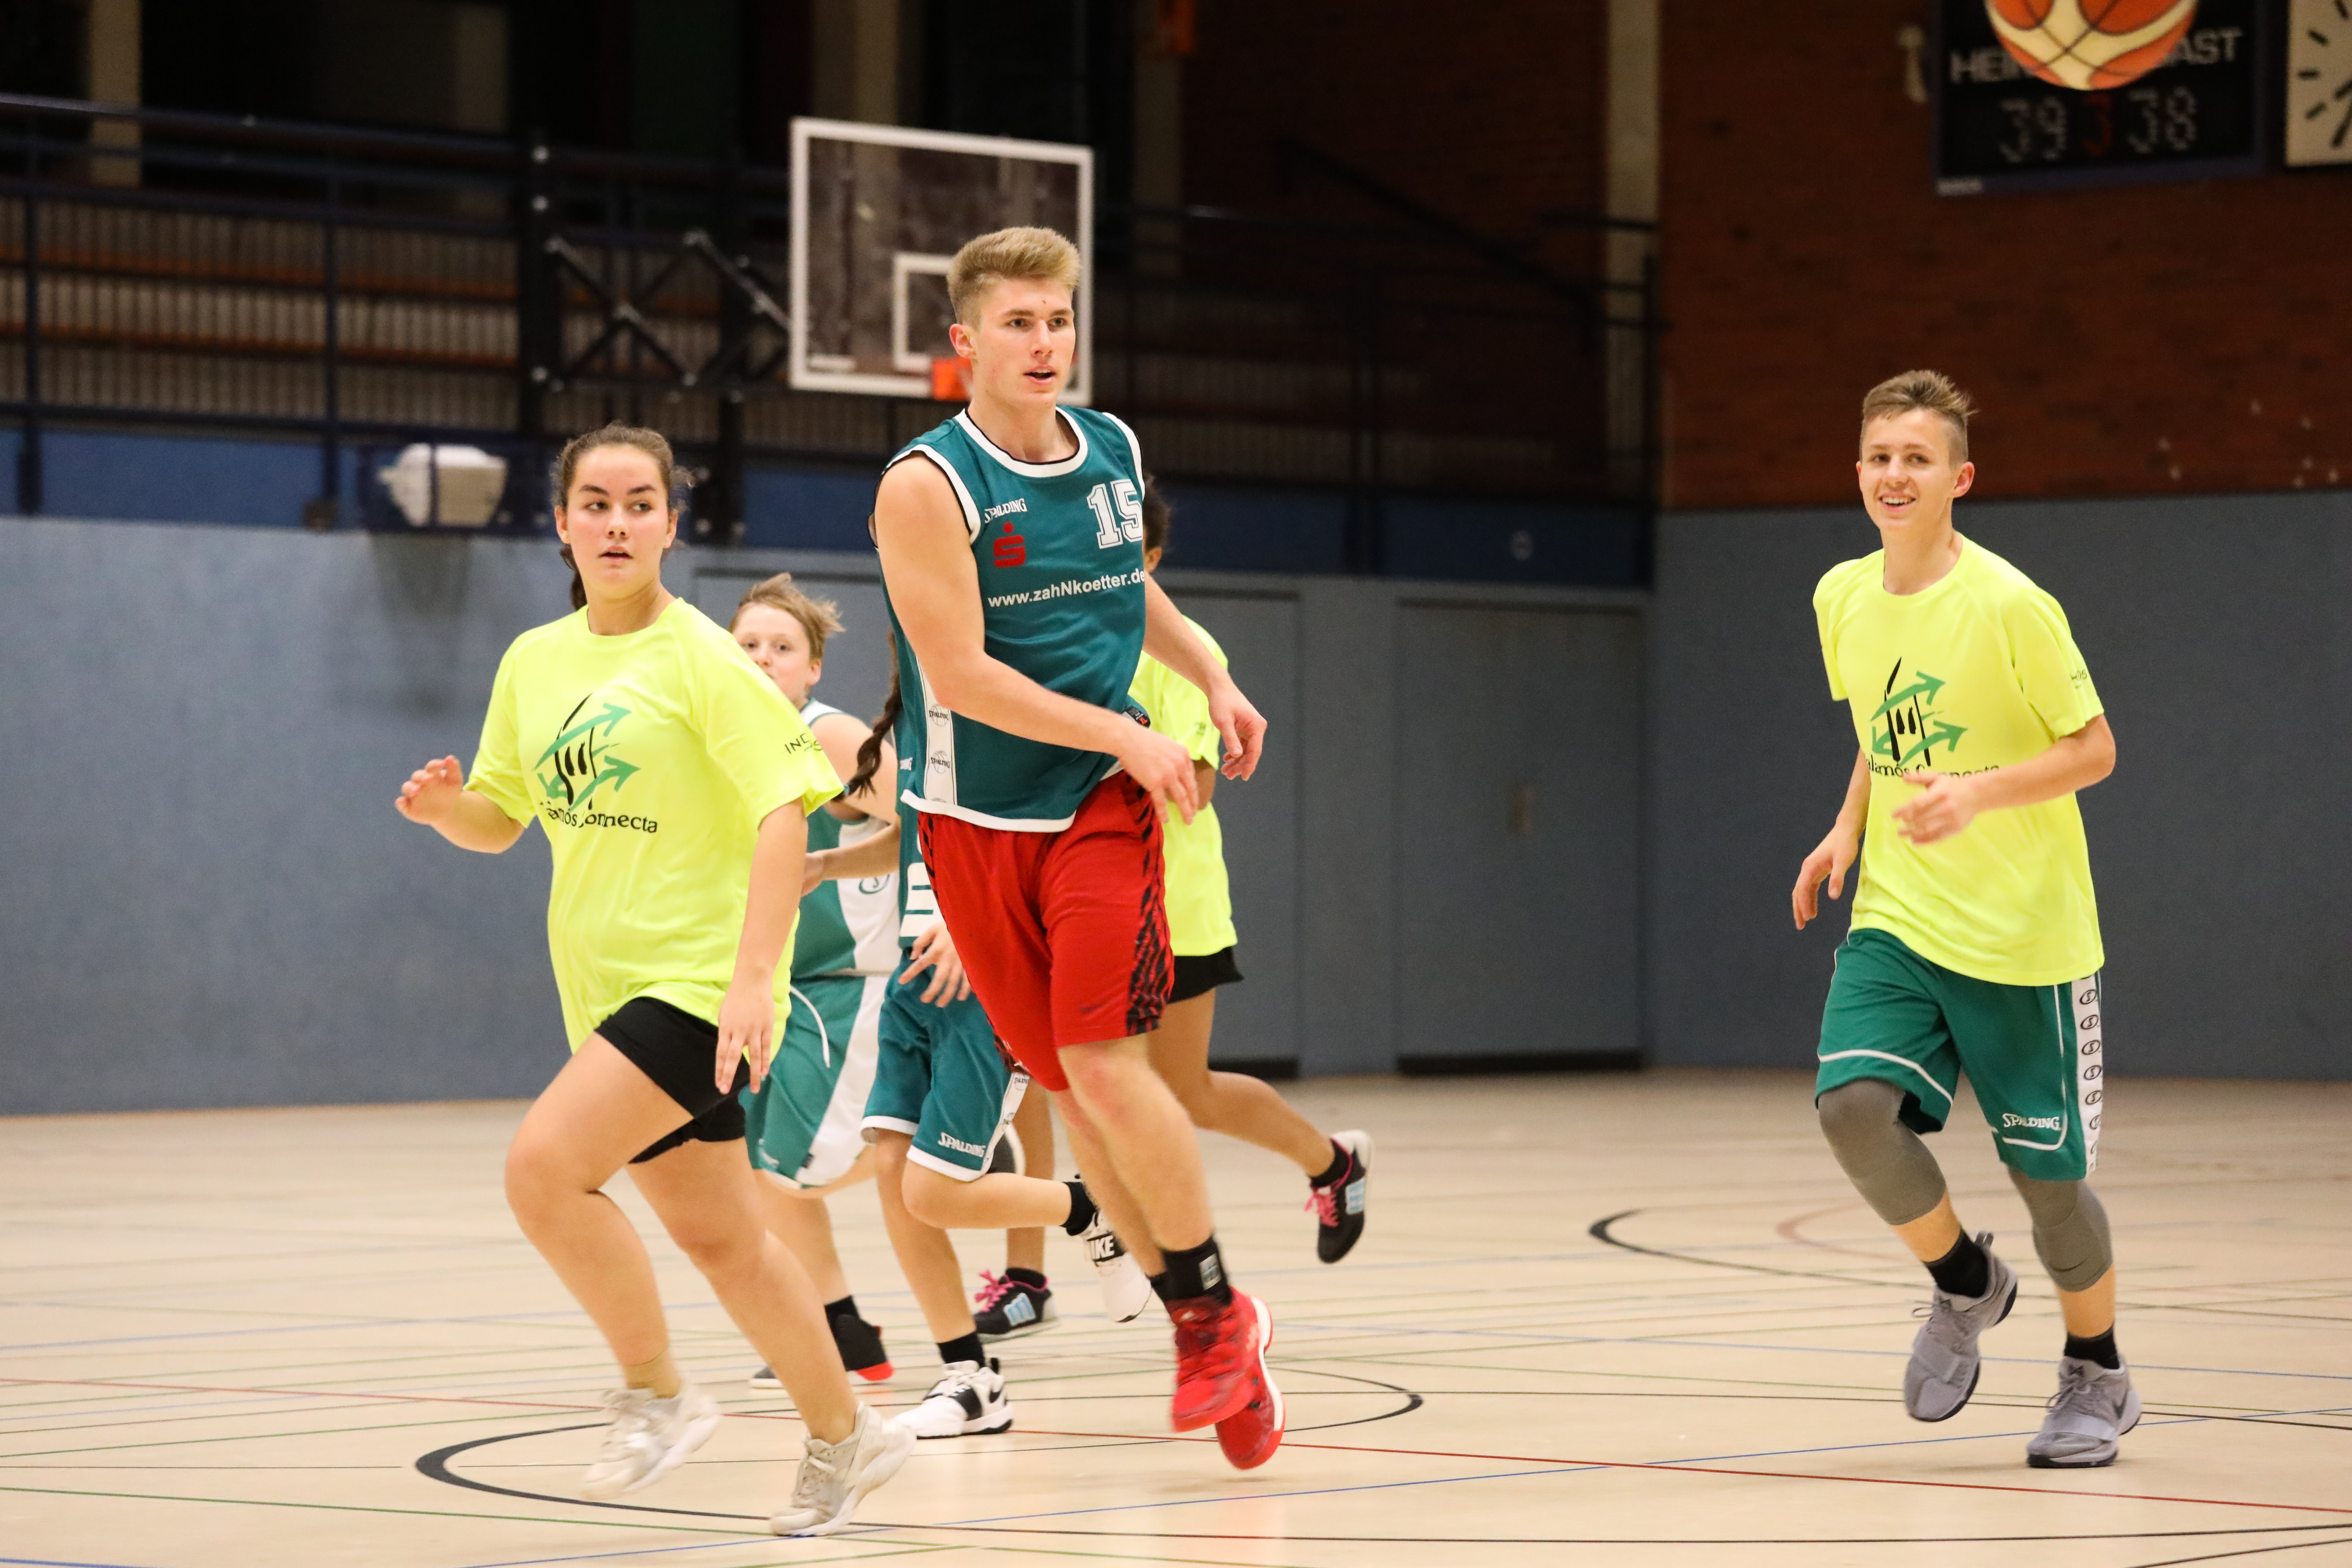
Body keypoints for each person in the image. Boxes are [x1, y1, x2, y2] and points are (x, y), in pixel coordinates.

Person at [392, 424, 910, 1535]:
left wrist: (753, 979)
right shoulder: (533, 661)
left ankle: (656, 1394)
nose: (617, 523)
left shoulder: (706, 660)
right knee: (726, 1241)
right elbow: (501, 819)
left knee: (542, 1173)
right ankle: (846, 1436)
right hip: (603, 990)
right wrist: (445, 813)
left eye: (640, 504)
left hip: (695, 980)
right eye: (596, 503)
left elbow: (785, 812)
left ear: (672, 525)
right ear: (563, 522)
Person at [870, 225, 1283, 1470]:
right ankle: (1218, 1333)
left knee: (1104, 1067)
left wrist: (1208, 675)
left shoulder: (1111, 449)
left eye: (1057, 320)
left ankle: (1207, 1316)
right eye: (1017, 323)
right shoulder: (925, 486)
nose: (1043, 342)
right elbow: (958, 673)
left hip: (1096, 809)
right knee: (1064, 1089)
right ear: (965, 342)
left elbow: (1123, 591)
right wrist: (1124, 726)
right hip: (971, 824)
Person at [1793, 371, 2133, 1469]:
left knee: (2048, 1187)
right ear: (1857, 472)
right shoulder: (1841, 596)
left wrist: (1978, 793)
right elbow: (1879, 727)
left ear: (1959, 478)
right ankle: (1963, 1282)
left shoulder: (2010, 605)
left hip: (2021, 935)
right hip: (1900, 913)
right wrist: (1846, 825)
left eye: (1917, 459)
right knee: (1851, 1109)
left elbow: (2094, 750)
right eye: (1878, 457)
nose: (1894, 476)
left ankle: (2097, 1369)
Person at [807, 677, 1149, 1439]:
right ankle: (969, 1377)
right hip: (912, 976)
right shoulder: (910, 729)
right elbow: (907, 836)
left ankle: (1085, 1207)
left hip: (983, 982)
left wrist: (976, 928)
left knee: (933, 1192)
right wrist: (822, 866)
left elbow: (1043, 856)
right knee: (893, 1174)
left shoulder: (1022, 720)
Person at [1128, 478, 1371, 1262]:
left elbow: (1192, 789)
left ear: (1149, 560)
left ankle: (1331, 1164)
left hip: (1171, 905)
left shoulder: (1184, 652)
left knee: (1185, 1091)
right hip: (1080, 901)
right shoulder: (1053, 639)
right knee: (1092, 1084)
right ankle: (1115, 1248)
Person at [728, 574, 899, 1387]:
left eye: (782, 647)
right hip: (781, 987)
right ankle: (842, 1329)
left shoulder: (828, 735)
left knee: (789, 1172)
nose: (763, 658)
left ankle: (949, 1145)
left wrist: (940, 917)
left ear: (814, 667)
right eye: (748, 645)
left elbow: (926, 819)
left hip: (851, 981)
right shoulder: (728, 742)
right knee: (756, 1171)